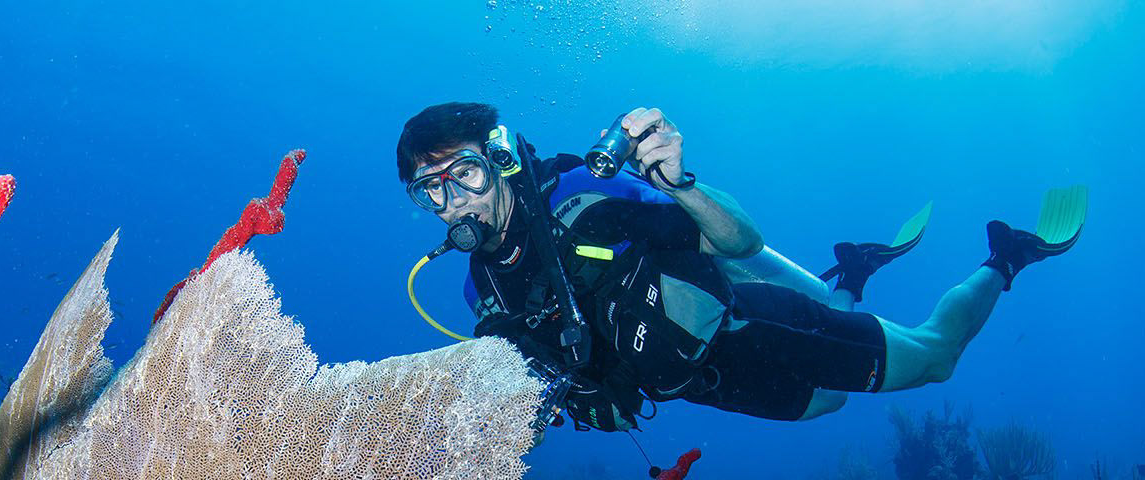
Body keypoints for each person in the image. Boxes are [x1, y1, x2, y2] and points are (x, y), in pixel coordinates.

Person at [395, 102, 1085, 429]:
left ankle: (1007, 255)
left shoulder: (581, 199)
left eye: (467, 175)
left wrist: (678, 185)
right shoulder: (481, 289)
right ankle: (852, 273)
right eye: (432, 190)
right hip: (708, 384)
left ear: (500, 162)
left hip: (755, 325)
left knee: (935, 359)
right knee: (830, 404)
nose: (456, 203)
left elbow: (741, 243)